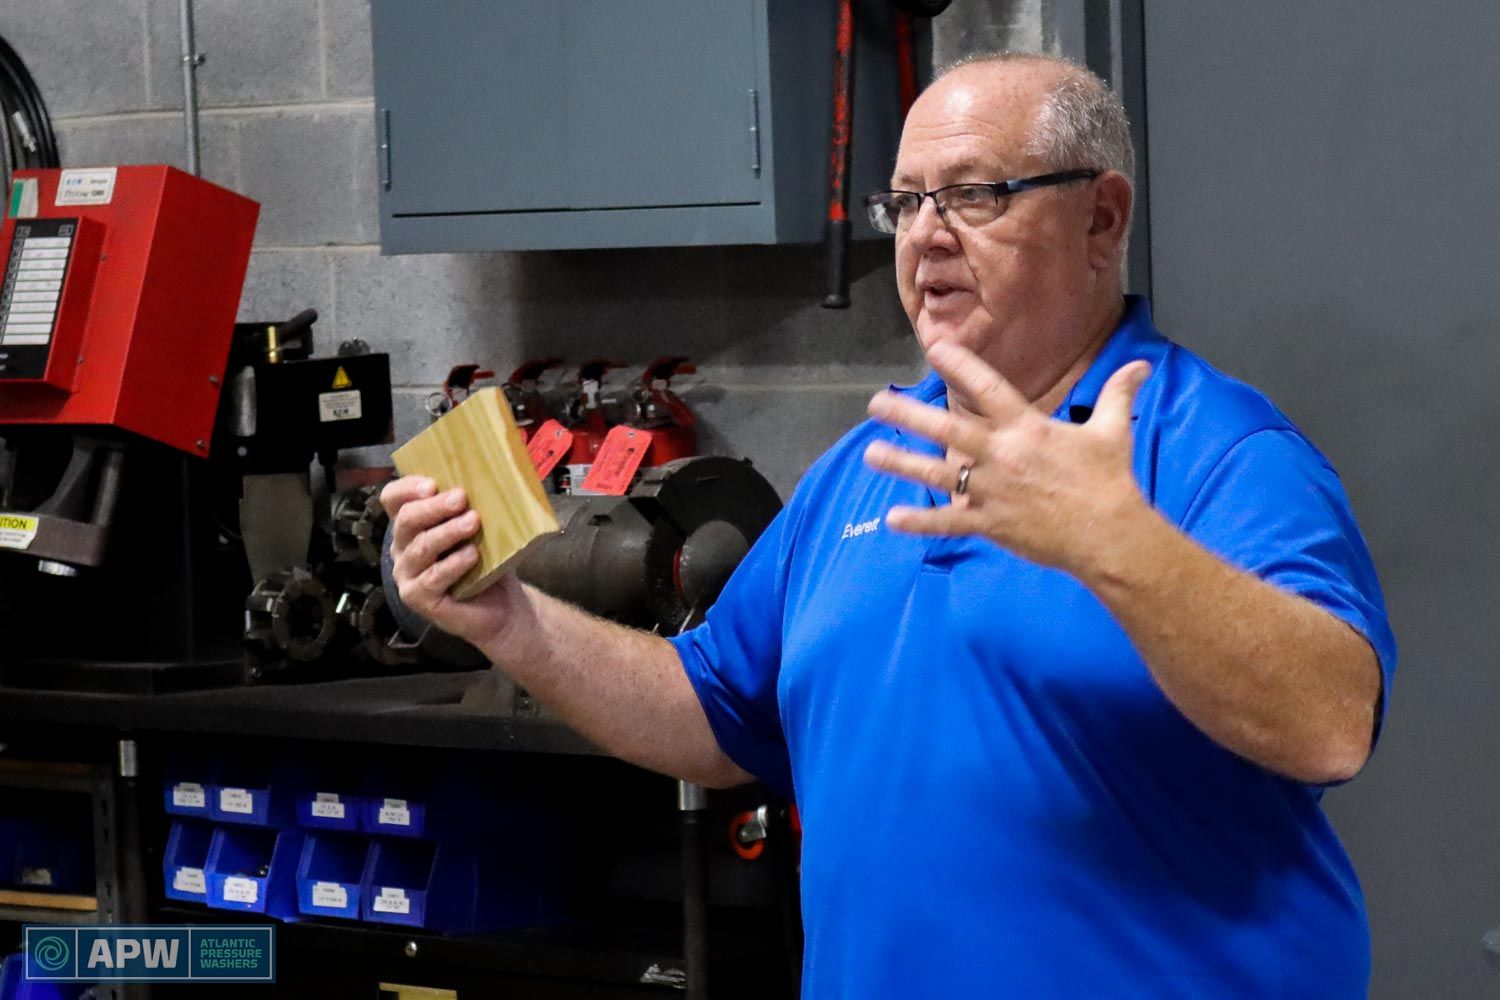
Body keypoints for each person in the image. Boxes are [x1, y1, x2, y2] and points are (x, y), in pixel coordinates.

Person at [382, 52, 1396, 999]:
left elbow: (1330, 723)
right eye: (906, 202)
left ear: (1102, 219)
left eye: (975, 194)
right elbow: (713, 712)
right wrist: (514, 622)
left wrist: (1117, 545)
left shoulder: (1219, 451)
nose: (926, 233)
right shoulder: (861, 472)